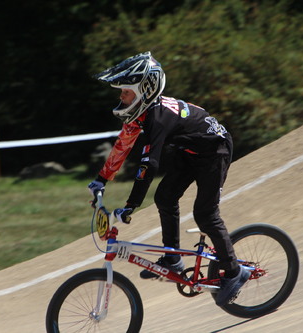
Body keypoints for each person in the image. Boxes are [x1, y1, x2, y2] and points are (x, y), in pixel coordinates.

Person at [88, 51, 250, 306]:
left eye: (126, 92)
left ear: (144, 91)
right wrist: (101, 179)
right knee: (164, 197)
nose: (121, 97)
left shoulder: (158, 118)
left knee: (206, 214)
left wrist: (131, 205)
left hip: (215, 151)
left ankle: (234, 272)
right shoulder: (140, 114)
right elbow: (122, 147)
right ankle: (173, 258)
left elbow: (148, 165)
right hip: (190, 152)